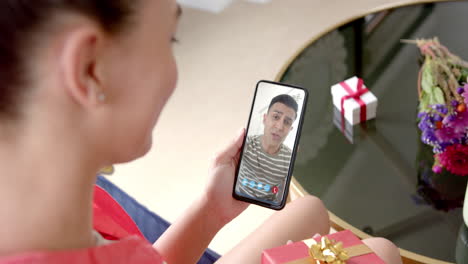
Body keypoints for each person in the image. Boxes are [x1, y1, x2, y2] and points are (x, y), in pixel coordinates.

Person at [0, 0, 403, 264]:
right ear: (90, 68)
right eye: (169, 38)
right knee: (382, 252)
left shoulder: (57, 201)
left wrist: (210, 212)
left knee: (309, 209)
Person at [236, 94, 298, 203]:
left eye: (287, 122)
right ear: (265, 119)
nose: (279, 127)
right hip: (238, 199)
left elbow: (285, 198)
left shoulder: (290, 159)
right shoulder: (245, 143)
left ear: (290, 129)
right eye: (275, 117)